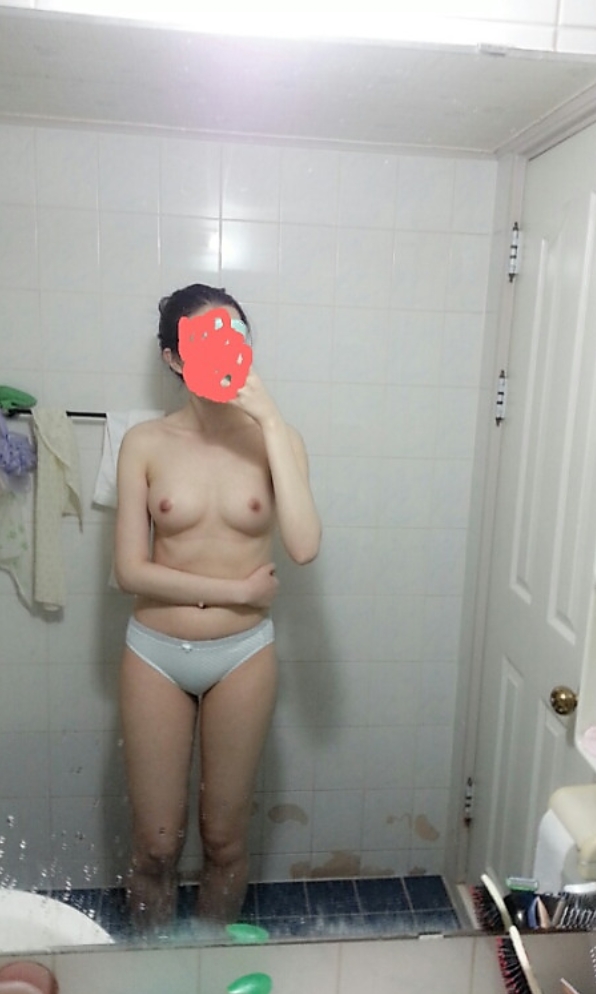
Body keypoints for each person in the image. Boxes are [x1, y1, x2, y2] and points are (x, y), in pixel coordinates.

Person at [114, 284, 321, 932]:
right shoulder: (145, 442)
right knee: (156, 843)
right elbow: (128, 571)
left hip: (243, 656)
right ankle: (154, 971)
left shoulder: (277, 438)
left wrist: (271, 421)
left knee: (225, 840)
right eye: (204, 341)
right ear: (174, 358)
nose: (223, 351)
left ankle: (213, 966)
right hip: (155, 655)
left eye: (234, 337)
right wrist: (236, 592)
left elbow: (303, 545)